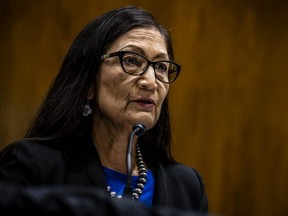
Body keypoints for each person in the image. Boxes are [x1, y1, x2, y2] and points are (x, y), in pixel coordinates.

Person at [0, 5, 208, 214]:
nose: (151, 82)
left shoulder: (187, 185)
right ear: (89, 82)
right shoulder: (33, 166)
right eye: (131, 61)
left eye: (161, 66)